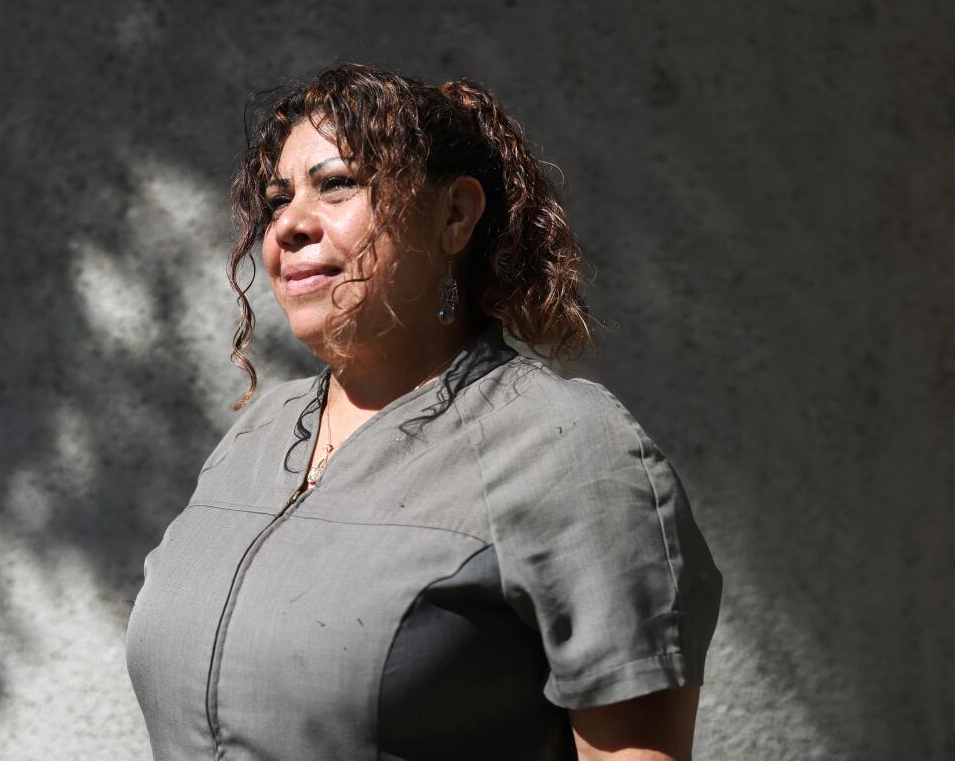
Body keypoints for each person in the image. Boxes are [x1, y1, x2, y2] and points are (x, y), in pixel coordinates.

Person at [126, 62, 723, 761]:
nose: (288, 224)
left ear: (455, 214)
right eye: (277, 197)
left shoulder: (566, 449)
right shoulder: (258, 435)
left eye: (337, 183)